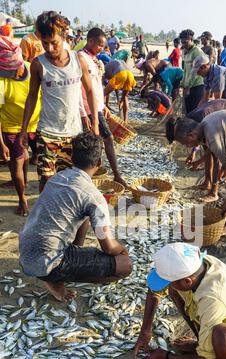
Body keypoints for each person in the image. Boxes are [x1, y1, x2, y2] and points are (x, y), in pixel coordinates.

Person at [19, 132, 132, 303]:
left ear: (72, 158)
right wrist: (122, 250)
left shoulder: (57, 178)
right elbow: (108, 246)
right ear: (99, 163)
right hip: (47, 263)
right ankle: (55, 279)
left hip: (26, 255)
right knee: (125, 265)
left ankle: (61, 268)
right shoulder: (93, 196)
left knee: (84, 216)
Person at [19, 11, 99, 193]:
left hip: (74, 133)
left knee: (71, 183)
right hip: (47, 133)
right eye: (44, 43)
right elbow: (32, 96)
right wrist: (24, 129)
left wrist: (94, 122)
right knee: (47, 182)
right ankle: (46, 217)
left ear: (63, 36)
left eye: (53, 42)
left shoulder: (78, 61)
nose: (49, 48)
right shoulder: (38, 64)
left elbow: (89, 90)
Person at [78, 28, 127, 187]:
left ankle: (99, 174)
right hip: (88, 108)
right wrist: (84, 112)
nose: (102, 48)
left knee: (97, 141)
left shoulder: (94, 59)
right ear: (90, 41)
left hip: (96, 107)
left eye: (103, 45)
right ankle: (114, 175)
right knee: (102, 140)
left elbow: (97, 86)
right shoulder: (81, 57)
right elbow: (80, 88)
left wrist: (103, 105)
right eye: (100, 45)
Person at [166, 99, 226, 195]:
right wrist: (193, 152)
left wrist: (199, 162)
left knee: (219, 156)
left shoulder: (201, 121)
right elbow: (202, 144)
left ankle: (215, 189)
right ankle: (208, 182)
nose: (184, 144)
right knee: (209, 151)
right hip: (219, 116)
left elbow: (213, 151)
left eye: (181, 141)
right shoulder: (187, 123)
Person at [0, 40, 41, 216]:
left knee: (24, 156)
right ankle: (22, 198)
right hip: (11, 125)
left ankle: (22, 182)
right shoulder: (2, 80)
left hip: (32, 124)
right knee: (16, 162)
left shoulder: (32, 69)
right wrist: (1, 143)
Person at [179, 29, 206, 113]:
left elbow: (196, 72)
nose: (184, 44)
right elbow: (186, 71)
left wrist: (188, 87)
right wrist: (182, 84)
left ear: (191, 40)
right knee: (187, 110)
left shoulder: (197, 52)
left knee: (194, 111)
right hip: (188, 87)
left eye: (185, 42)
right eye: (182, 42)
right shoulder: (186, 52)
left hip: (197, 86)